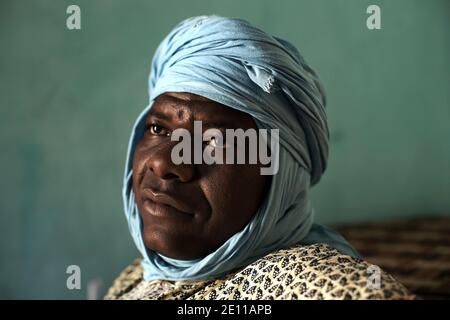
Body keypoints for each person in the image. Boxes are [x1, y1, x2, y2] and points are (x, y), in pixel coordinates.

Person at [105, 16, 415, 300]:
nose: (164, 163)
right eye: (158, 127)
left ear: (281, 174)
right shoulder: (138, 275)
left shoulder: (325, 288)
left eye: (214, 140)